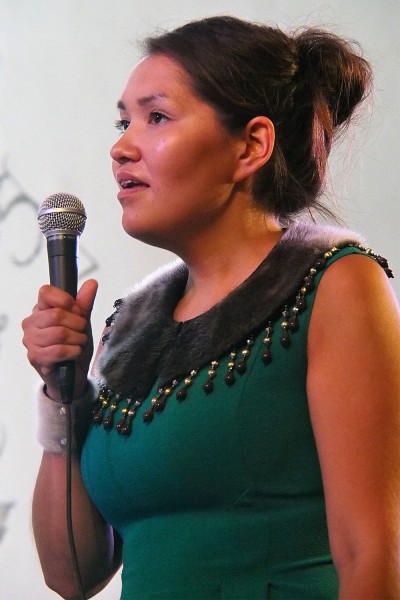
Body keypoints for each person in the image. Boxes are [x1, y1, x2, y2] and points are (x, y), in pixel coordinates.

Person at [22, 15, 400, 600]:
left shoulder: (334, 282)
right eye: (123, 122)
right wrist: (62, 397)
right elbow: (73, 575)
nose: (121, 147)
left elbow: (372, 553)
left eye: (156, 117)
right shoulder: (129, 328)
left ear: (251, 145)